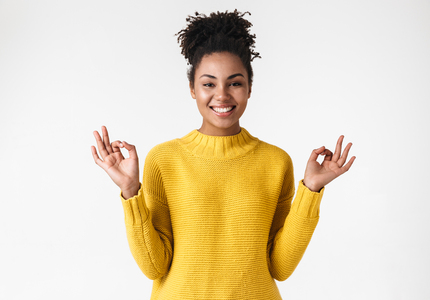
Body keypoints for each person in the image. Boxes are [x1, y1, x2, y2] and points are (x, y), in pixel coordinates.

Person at [91, 10, 355, 300]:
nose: (222, 95)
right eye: (208, 84)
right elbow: (155, 266)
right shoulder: (163, 160)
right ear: (192, 89)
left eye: (235, 82)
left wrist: (312, 190)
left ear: (250, 88)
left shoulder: (276, 162)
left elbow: (280, 266)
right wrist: (130, 192)